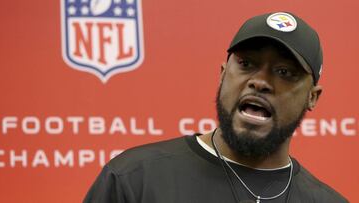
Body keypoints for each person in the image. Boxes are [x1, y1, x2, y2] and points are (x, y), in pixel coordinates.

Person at [83, 12, 348, 203]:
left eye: (284, 72)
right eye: (247, 64)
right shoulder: (134, 179)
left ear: (313, 97)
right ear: (223, 75)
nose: (260, 82)